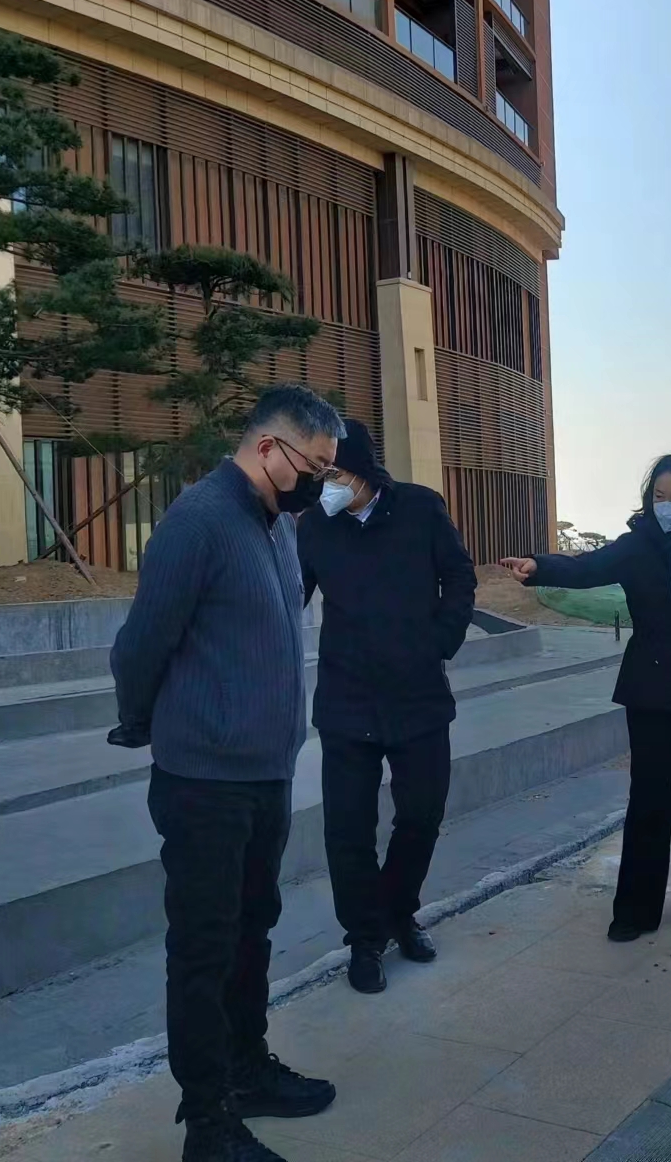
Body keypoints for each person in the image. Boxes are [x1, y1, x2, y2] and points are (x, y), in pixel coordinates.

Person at [110, 385, 343, 1162]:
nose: (318, 484)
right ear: (267, 448)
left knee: (252, 934)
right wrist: (146, 722)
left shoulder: (277, 527)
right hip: (204, 783)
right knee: (204, 951)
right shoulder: (199, 521)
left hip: (265, 776)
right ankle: (207, 1124)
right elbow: (141, 644)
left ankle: (247, 1070)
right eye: (313, 466)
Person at [499, 453, 671, 942]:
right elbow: (587, 567)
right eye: (659, 496)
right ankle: (637, 909)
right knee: (648, 797)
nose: (667, 506)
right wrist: (538, 567)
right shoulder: (637, 546)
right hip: (651, 689)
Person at [297, 419, 477, 995]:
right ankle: (365, 939)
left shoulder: (421, 509)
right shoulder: (314, 526)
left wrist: (439, 641)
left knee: (421, 815)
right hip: (346, 702)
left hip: (417, 698)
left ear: (362, 470)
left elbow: (459, 576)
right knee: (347, 830)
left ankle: (399, 913)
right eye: (319, 473)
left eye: (334, 472)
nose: (326, 484)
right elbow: (289, 596)